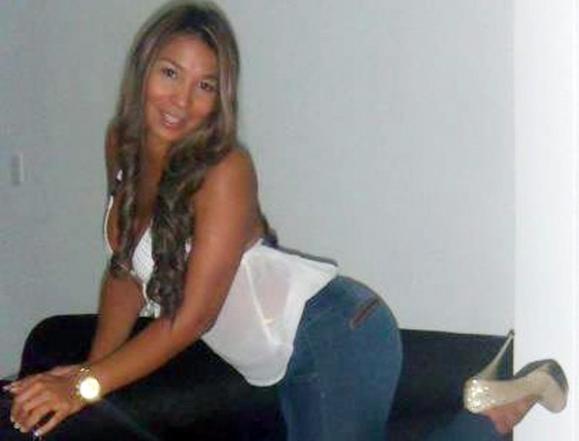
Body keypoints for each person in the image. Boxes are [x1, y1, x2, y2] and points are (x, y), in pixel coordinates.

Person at [0, 2, 567, 440]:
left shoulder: (224, 171)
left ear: (220, 97)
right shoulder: (122, 144)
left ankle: (493, 415)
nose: (181, 100)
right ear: (142, 69)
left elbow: (193, 317)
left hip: (334, 333)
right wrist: (92, 374)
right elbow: (126, 271)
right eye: (169, 73)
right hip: (284, 356)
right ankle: (489, 409)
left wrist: (86, 384)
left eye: (204, 86)